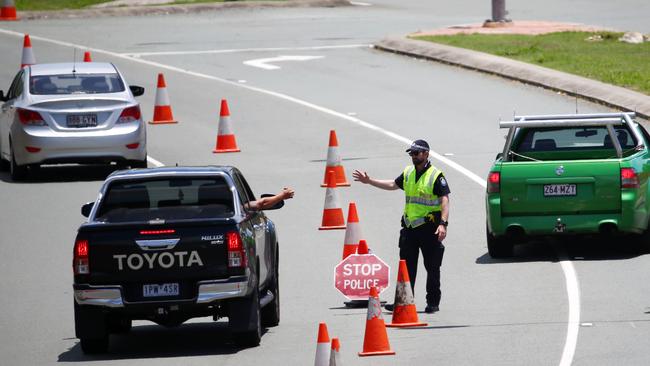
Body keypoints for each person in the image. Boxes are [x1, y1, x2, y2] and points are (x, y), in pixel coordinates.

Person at [352, 139, 450, 313]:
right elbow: (393, 184)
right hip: (410, 228)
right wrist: (370, 181)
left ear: (426, 154)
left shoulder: (435, 175)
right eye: (411, 153)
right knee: (406, 267)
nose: (413, 156)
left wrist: (443, 224)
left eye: (417, 153)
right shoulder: (408, 173)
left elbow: (445, 199)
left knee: (432, 267)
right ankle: (404, 301)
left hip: (429, 228)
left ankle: (433, 302)